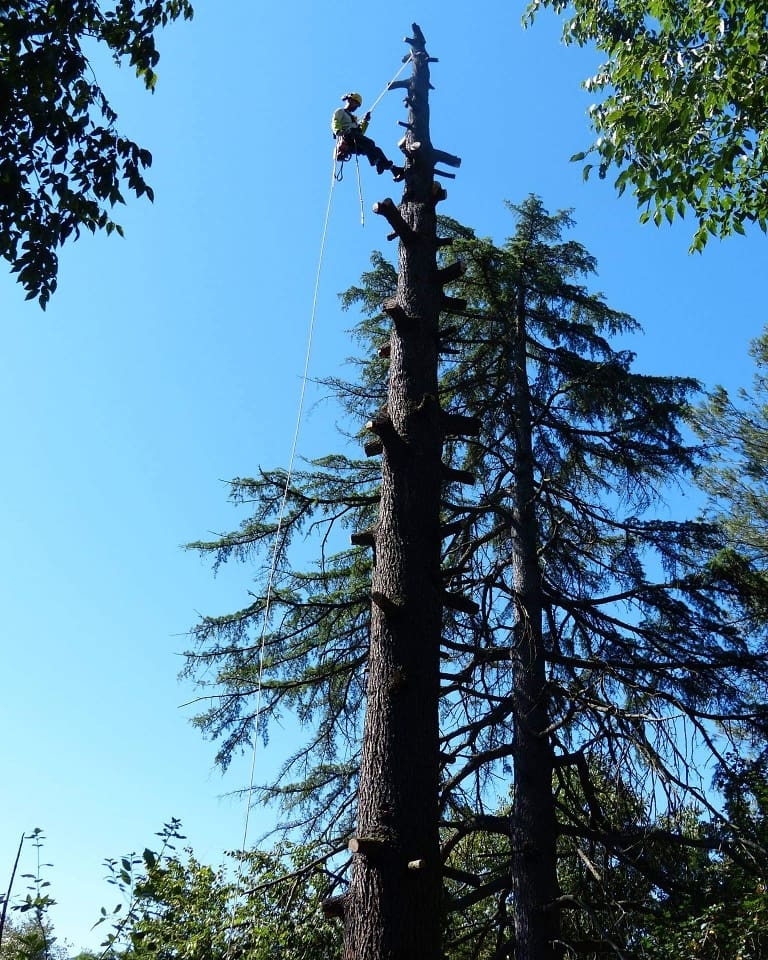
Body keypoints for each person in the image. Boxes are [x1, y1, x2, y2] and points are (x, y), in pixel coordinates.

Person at [331, 92, 404, 180]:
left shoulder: (353, 119)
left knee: (376, 150)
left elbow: (360, 133)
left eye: (357, 106)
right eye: (355, 103)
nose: (356, 107)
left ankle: (394, 170)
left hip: (354, 138)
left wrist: (365, 121)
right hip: (348, 136)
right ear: (349, 100)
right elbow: (335, 121)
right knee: (370, 143)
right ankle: (377, 162)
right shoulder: (341, 111)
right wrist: (338, 131)